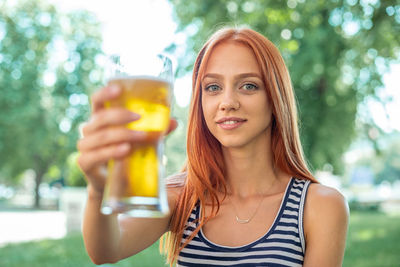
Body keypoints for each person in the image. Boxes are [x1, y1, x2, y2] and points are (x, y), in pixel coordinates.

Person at [77, 27, 349, 267]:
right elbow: (106, 250)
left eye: (249, 85)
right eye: (213, 87)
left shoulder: (320, 206)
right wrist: (98, 190)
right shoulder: (181, 196)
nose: (227, 102)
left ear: (275, 99)